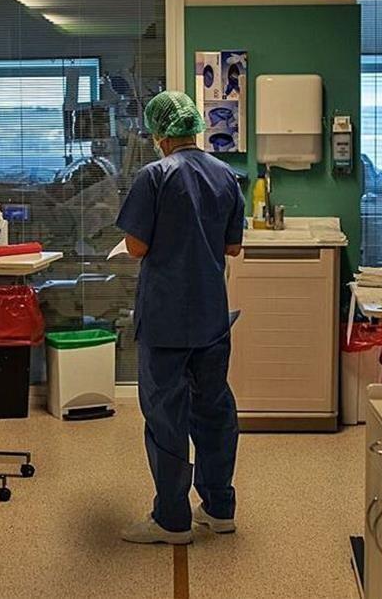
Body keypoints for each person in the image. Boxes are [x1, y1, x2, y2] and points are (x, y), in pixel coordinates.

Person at [116, 91, 245, 545]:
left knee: (167, 415)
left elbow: (136, 247)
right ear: (194, 127)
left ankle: (172, 520)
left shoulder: (155, 176)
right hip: (212, 315)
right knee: (213, 409)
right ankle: (218, 507)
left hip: (167, 317)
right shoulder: (227, 175)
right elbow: (232, 247)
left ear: (159, 134)